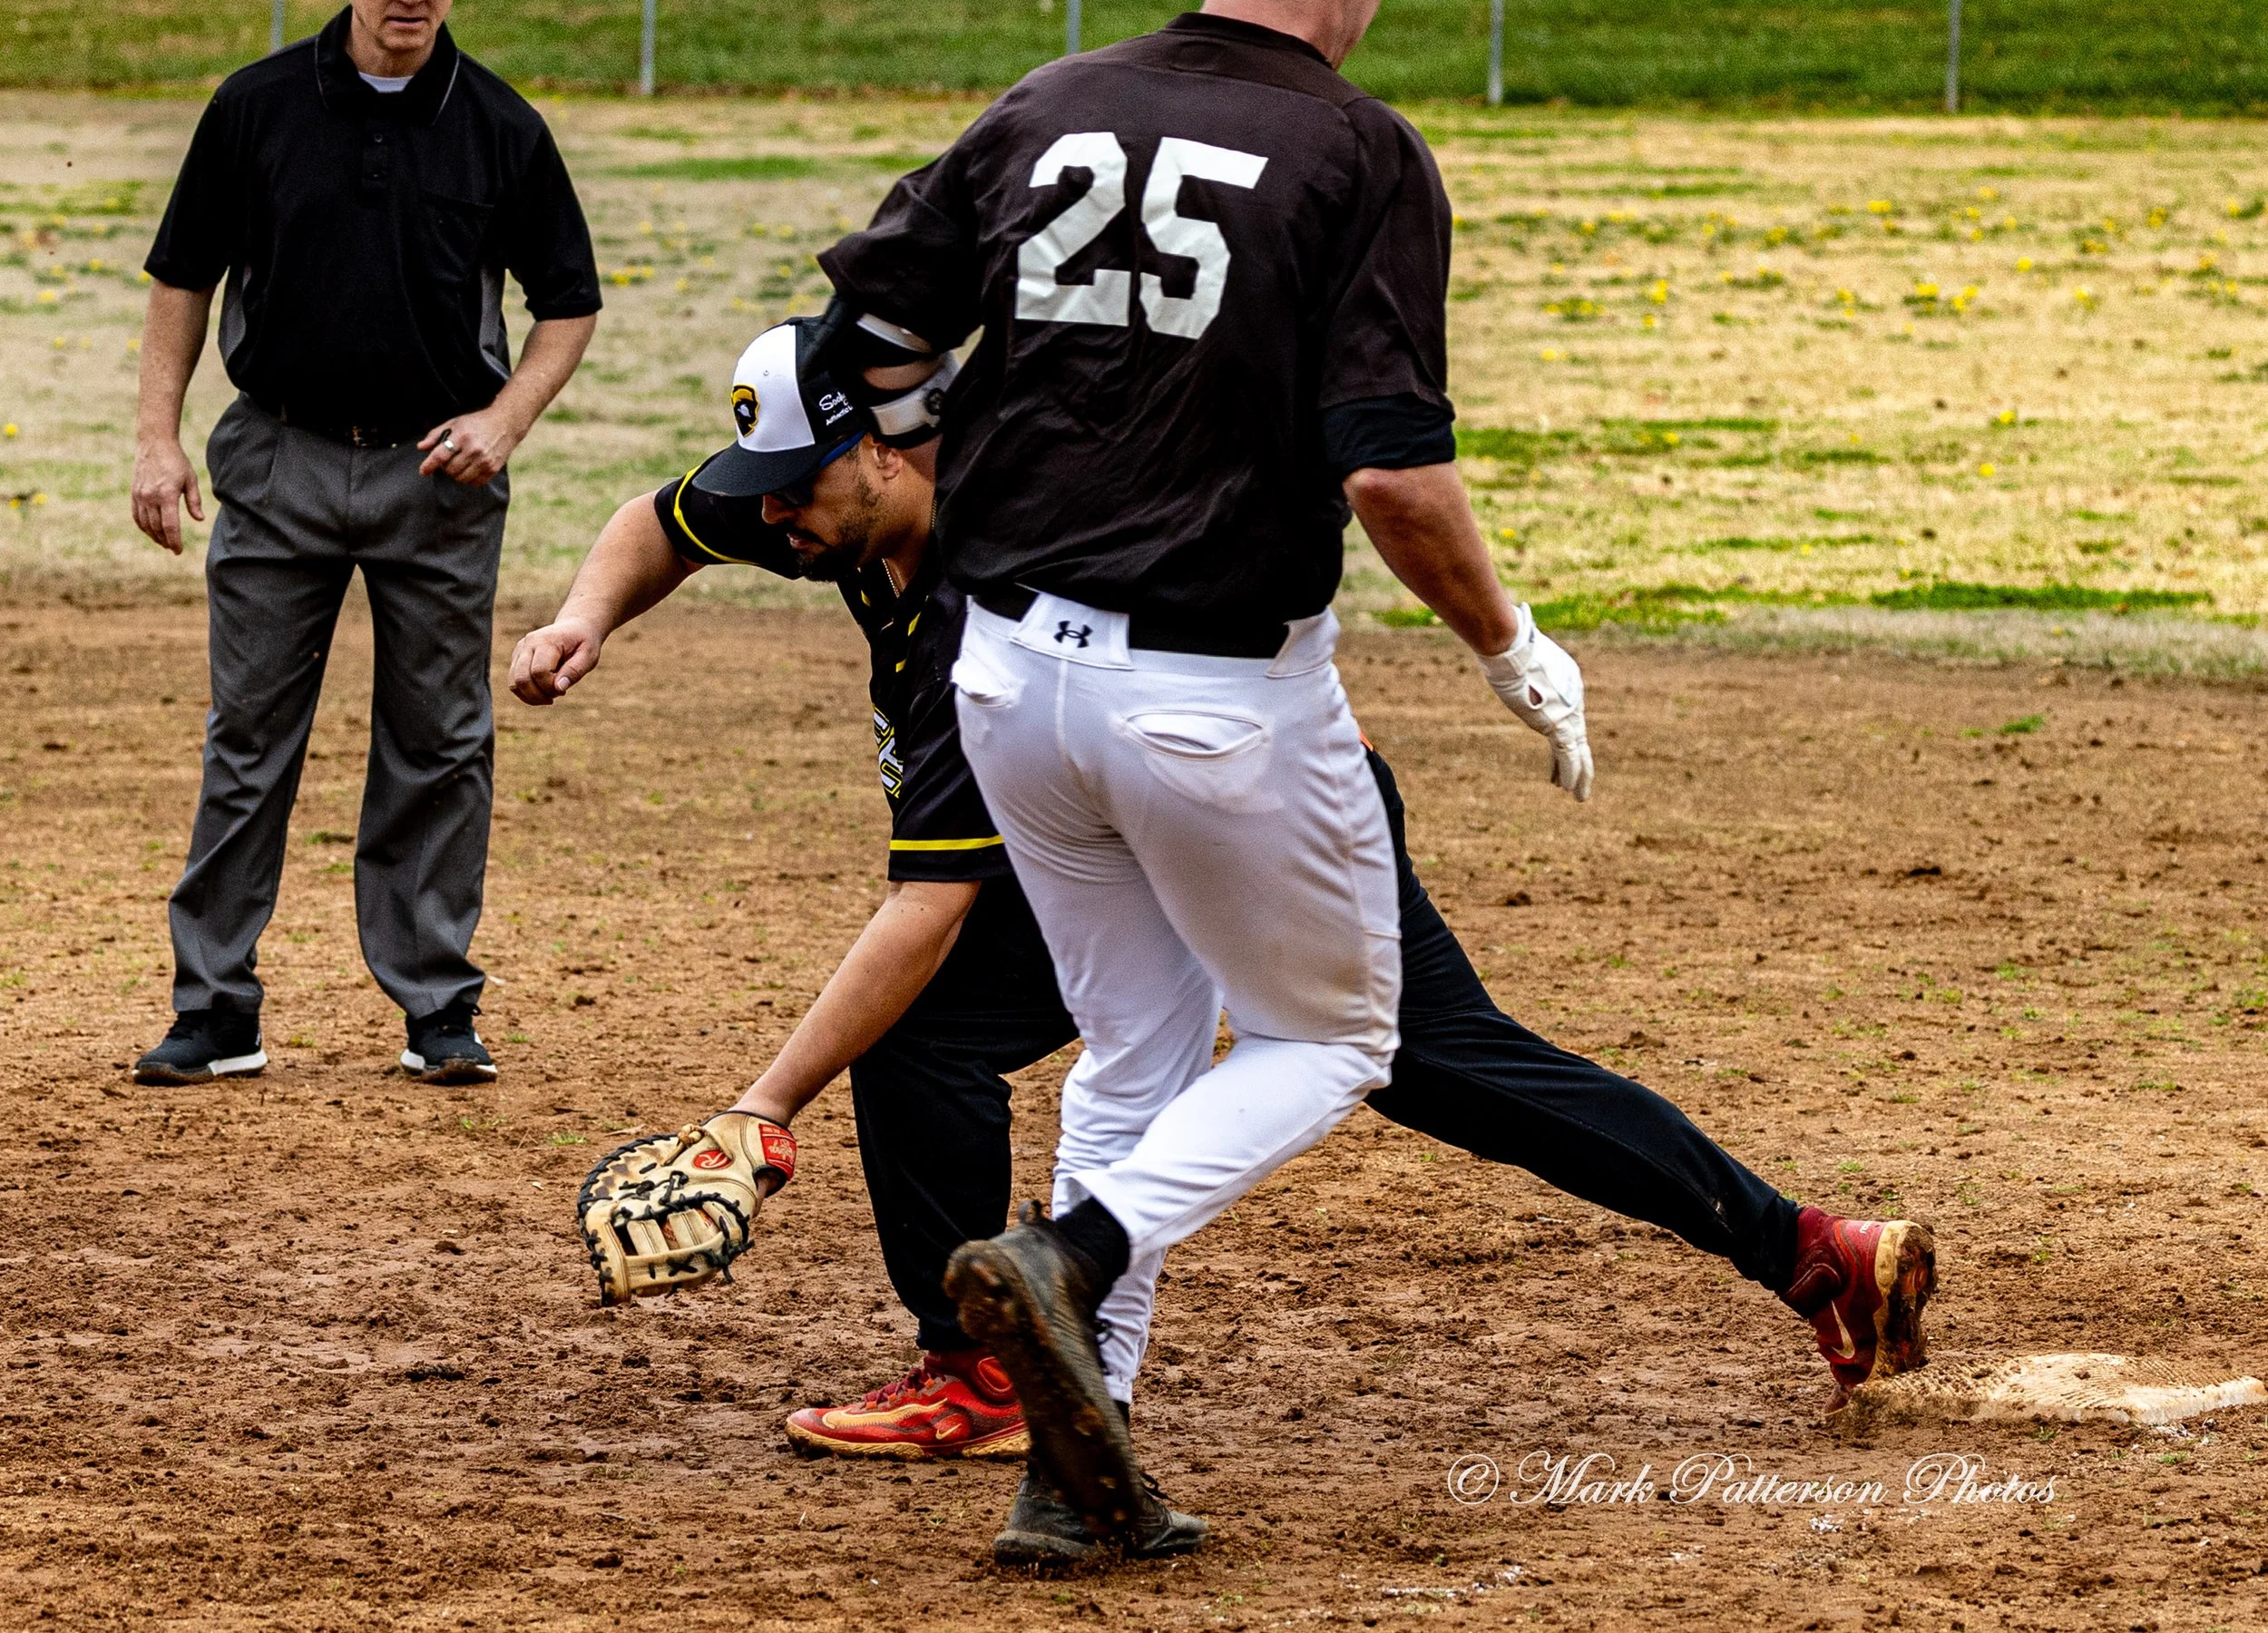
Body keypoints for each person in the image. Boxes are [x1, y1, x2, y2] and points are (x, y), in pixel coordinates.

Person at [513, 318, 1936, 1565]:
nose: (774, 523)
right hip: (1114, 807)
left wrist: (760, 1108)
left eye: (800, 491)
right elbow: (662, 516)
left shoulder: (978, 599)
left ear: (898, 453)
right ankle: (991, 1373)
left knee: (1428, 1064)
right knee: (931, 1044)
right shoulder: (835, 494)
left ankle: (1800, 1243)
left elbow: (929, 903)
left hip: (1263, 811)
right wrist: (585, 619)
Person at [802, 0, 1594, 1550]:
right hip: (1211, 694)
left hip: (1003, 676)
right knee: (1337, 1030)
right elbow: (1389, 469)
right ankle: (1063, 1255)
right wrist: (1508, 646)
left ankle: (1069, 1477)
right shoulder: (1355, 150)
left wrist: (969, 453)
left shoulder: (1050, 102)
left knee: (1131, 1054)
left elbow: (860, 333)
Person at [127, 0, 601, 1089]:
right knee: (249, 737)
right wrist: (157, 439)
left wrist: (505, 420)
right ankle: (215, 1005)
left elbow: (567, 307)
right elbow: (183, 275)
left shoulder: (500, 125)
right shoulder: (256, 108)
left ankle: (436, 1004)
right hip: (279, 456)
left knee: (439, 742)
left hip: (438, 474)